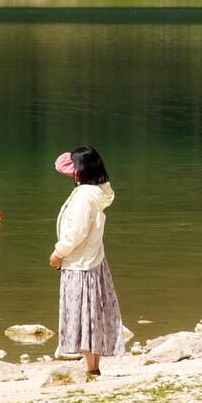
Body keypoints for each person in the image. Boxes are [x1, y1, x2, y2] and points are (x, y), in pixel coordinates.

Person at [49, 147, 125, 377]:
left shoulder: (84, 195)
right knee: (91, 313)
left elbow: (76, 232)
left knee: (82, 313)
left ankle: (91, 367)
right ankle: (93, 367)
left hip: (80, 263)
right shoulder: (98, 192)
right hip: (94, 259)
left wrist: (58, 253)